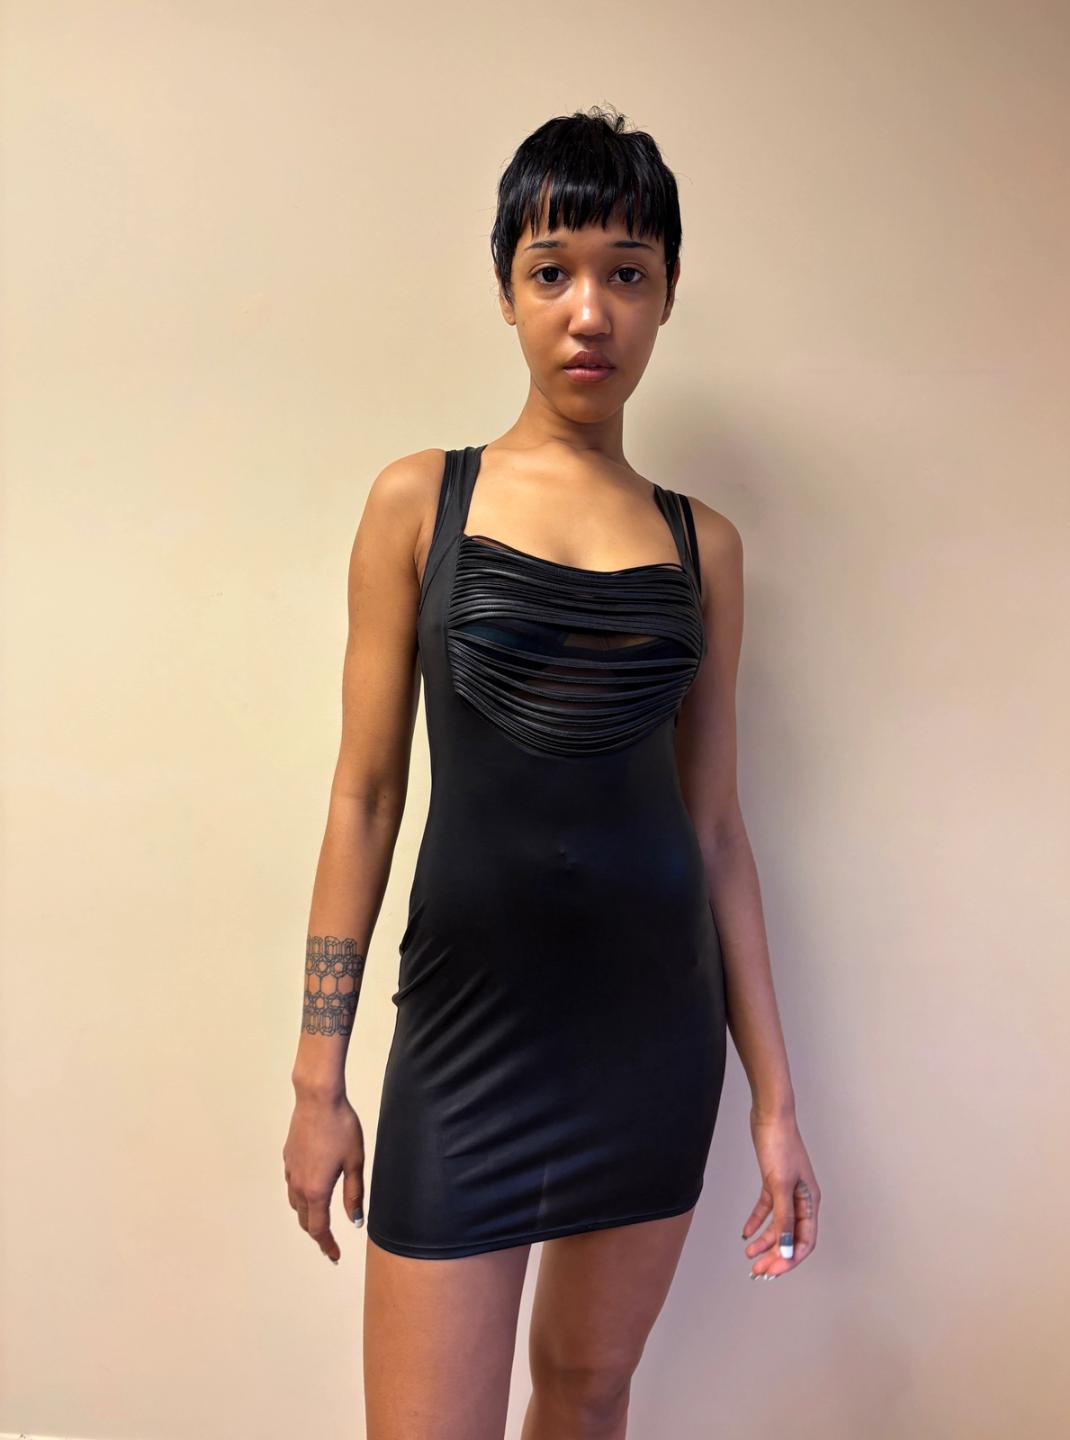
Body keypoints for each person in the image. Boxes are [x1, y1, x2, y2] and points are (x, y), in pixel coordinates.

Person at [282, 104, 821, 1439]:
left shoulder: (706, 549)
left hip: (652, 1046)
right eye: (553, 271)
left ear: (667, 294)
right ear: (508, 291)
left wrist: (776, 1103)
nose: (591, 311)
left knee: (585, 1396)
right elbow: (365, 797)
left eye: (627, 272)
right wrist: (317, 1079)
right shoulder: (422, 502)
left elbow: (717, 831)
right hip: (465, 1044)